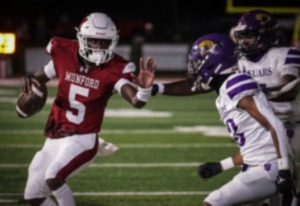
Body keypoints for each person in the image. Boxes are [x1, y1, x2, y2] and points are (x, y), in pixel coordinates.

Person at [20, 12, 156, 206]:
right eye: (94, 41)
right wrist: (30, 79)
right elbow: (39, 77)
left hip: (83, 138)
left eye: (104, 42)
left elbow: (136, 101)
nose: (99, 47)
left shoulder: (115, 68)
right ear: (82, 39)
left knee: (54, 177)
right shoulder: (64, 53)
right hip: (55, 136)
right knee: (33, 195)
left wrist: (144, 89)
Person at [186, 33, 295, 205]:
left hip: (268, 169)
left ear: (213, 61)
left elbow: (275, 124)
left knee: (214, 202)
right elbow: (255, 147)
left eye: (198, 62)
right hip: (260, 167)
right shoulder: (223, 95)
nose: (194, 68)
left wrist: (284, 171)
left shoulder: (235, 83)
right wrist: (221, 166)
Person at [232, 9, 300, 206]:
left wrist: (253, 91)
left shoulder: (287, 54)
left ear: (267, 34)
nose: (244, 41)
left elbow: (290, 89)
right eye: (241, 36)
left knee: (276, 182)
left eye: (249, 35)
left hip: (291, 127)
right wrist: (157, 88)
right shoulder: (242, 62)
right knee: (260, 189)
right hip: (262, 131)